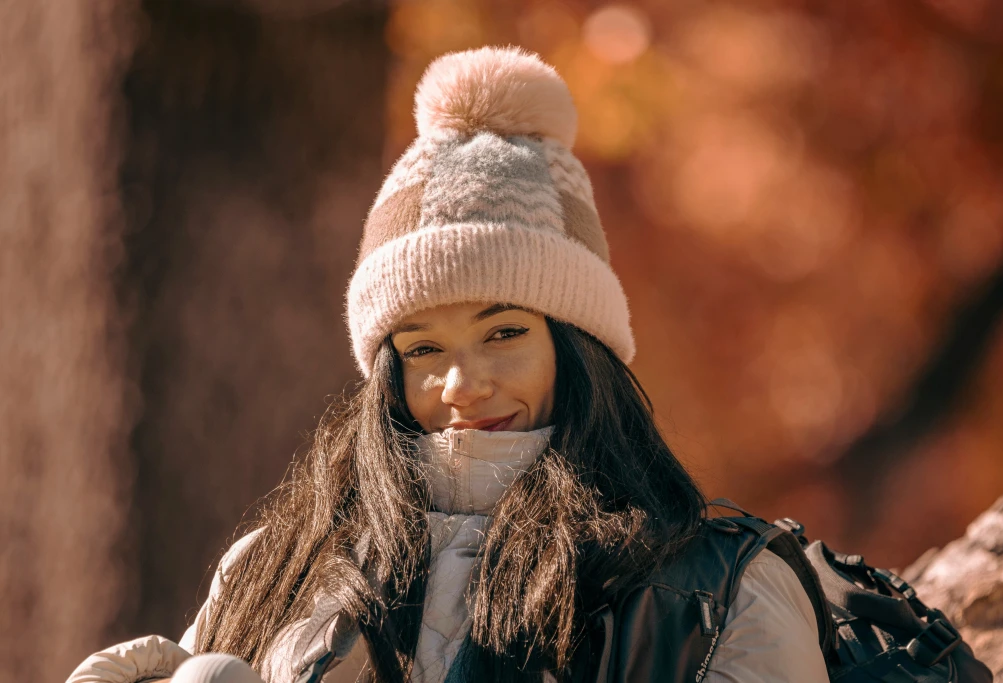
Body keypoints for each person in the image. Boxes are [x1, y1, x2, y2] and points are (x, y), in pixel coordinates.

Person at [68, 46, 829, 683]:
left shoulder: (717, 593)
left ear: (578, 345)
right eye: (424, 348)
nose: (462, 385)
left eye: (503, 334)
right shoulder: (275, 566)